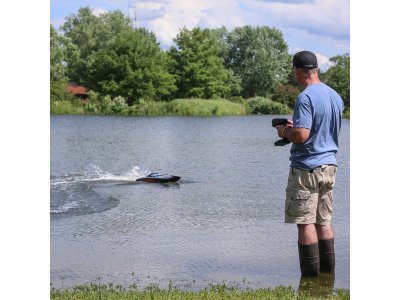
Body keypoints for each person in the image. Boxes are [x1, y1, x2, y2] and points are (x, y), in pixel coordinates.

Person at [275, 50, 344, 277]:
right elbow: (322, 129)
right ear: (315, 69)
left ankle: (310, 281)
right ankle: (328, 278)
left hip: (307, 168)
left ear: (297, 70)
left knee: (305, 223)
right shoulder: (335, 96)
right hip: (330, 167)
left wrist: (285, 131)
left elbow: (302, 135)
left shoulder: (305, 97)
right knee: (323, 221)